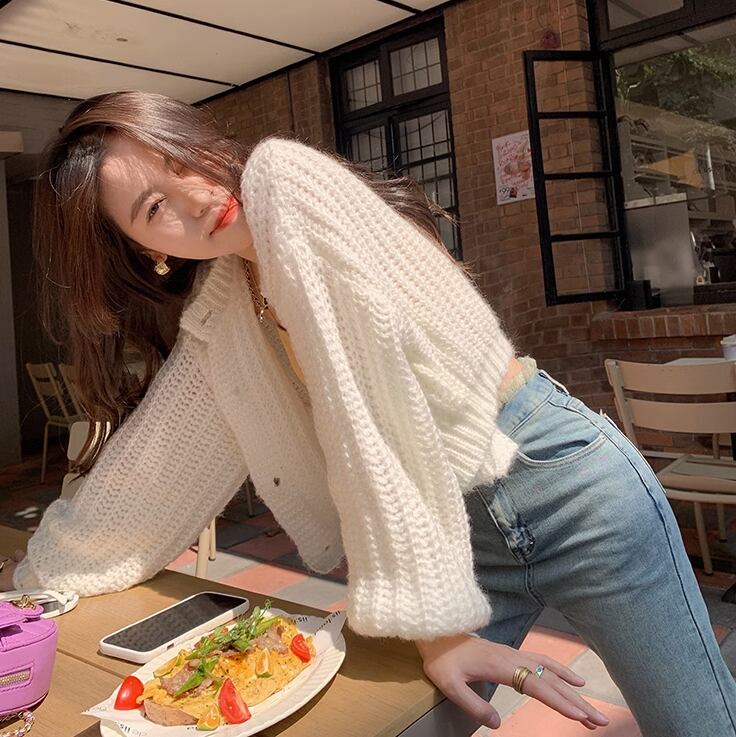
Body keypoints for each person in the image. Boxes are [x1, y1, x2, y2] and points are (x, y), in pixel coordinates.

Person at [1, 91, 734, 736]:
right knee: (399, 724)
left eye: (180, 158)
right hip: (447, 525)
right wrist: (34, 584)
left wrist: (438, 631)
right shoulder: (226, 307)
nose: (194, 195)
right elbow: (152, 470)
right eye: (153, 208)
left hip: (564, 482)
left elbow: (372, 413)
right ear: (143, 251)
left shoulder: (286, 180)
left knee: (696, 723)